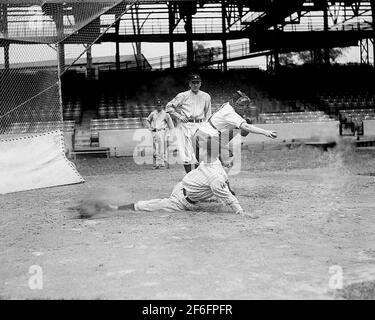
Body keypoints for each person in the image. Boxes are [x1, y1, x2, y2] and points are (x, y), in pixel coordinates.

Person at [75, 155, 258, 219]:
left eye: (231, 157)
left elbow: (224, 186)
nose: (230, 158)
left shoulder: (214, 161)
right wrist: (241, 212)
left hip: (187, 190)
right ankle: (112, 207)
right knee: (151, 206)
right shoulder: (217, 176)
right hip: (180, 200)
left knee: (217, 198)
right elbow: (230, 197)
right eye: (229, 156)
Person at [192, 90, 278, 164]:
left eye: (246, 105)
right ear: (233, 103)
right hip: (205, 137)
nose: (244, 108)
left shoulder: (228, 105)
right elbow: (246, 127)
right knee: (227, 160)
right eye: (241, 105)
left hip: (204, 135)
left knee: (206, 168)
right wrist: (265, 132)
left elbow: (242, 132)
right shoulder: (230, 112)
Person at [166, 74, 211, 174]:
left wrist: (207, 128)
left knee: (200, 153)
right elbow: (168, 107)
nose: (195, 85)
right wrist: (180, 116)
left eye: (197, 82)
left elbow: (208, 113)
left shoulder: (206, 96)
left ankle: (198, 176)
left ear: (200, 83)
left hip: (200, 125)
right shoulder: (183, 95)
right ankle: (190, 176)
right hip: (186, 125)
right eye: (193, 82)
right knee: (186, 153)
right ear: (189, 83)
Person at [146, 98, 174, 169]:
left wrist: (170, 135)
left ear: (162, 106)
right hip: (155, 131)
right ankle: (157, 163)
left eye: (160, 105)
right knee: (156, 148)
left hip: (162, 131)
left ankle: (163, 162)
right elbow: (147, 120)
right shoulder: (153, 113)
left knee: (163, 148)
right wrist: (150, 128)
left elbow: (171, 125)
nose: (159, 106)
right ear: (156, 106)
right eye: (158, 105)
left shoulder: (166, 114)